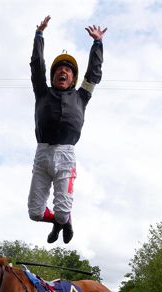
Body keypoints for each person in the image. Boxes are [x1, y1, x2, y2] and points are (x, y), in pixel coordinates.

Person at [28, 15, 106, 244]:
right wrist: (39, 36)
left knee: (62, 211)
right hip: (42, 154)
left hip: (65, 155)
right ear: (53, 76)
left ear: (72, 78)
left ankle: (64, 219)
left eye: (67, 70)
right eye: (59, 70)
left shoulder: (82, 95)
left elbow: (94, 74)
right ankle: (58, 223)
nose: (63, 72)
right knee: (34, 213)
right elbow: (37, 66)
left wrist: (97, 44)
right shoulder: (42, 91)